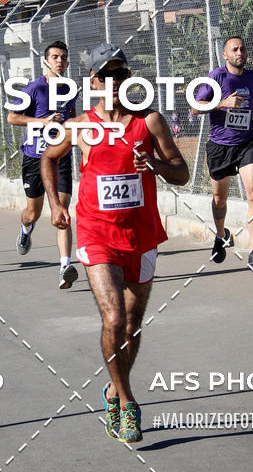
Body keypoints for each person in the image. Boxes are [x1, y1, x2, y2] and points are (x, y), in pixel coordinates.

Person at [41, 44, 189, 443]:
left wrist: (155, 165)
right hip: (95, 234)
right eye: (106, 75)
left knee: (133, 325)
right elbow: (48, 158)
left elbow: (182, 173)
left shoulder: (150, 122)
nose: (114, 82)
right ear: (93, 82)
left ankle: (111, 388)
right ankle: (127, 402)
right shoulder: (79, 126)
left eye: (120, 74)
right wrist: (56, 204)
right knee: (114, 321)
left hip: (141, 236)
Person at [192, 36, 253, 270]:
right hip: (220, 146)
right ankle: (220, 234)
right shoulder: (216, 77)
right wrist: (221, 103)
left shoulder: (251, 77)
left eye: (242, 48)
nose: (239, 52)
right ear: (225, 55)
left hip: (247, 142)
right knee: (219, 199)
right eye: (234, 49)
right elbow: (195, 107)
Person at [7, 40, 79, 290]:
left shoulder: (71, 89)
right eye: (55, 57)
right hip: (34, 158)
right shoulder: (33, 88)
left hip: (60, 156)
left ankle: (64, 267)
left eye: (63, 57)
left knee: (62, 210)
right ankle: (26, 229)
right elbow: (12, 117)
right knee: (33, 212)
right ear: (46, 61)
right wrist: (42, 122)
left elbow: (73, 118)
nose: (60, 61)